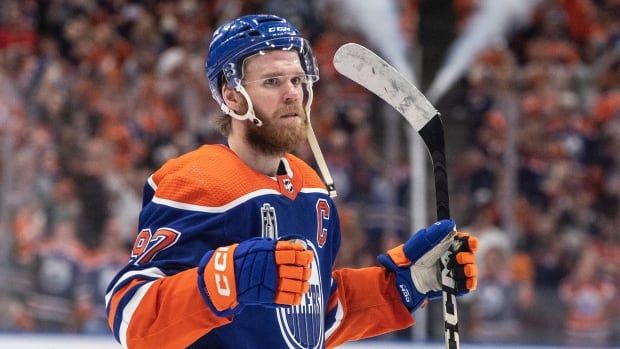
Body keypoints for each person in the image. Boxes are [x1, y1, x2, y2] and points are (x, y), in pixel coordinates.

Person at [105, 14, 478, 349]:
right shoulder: (199, 182)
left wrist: (407, 283)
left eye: (297, 80)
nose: (292, 94)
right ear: (232, 96)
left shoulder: (311, 189)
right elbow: (131, 319)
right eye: (272, 81)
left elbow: (315, 323)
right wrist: (224, 280)